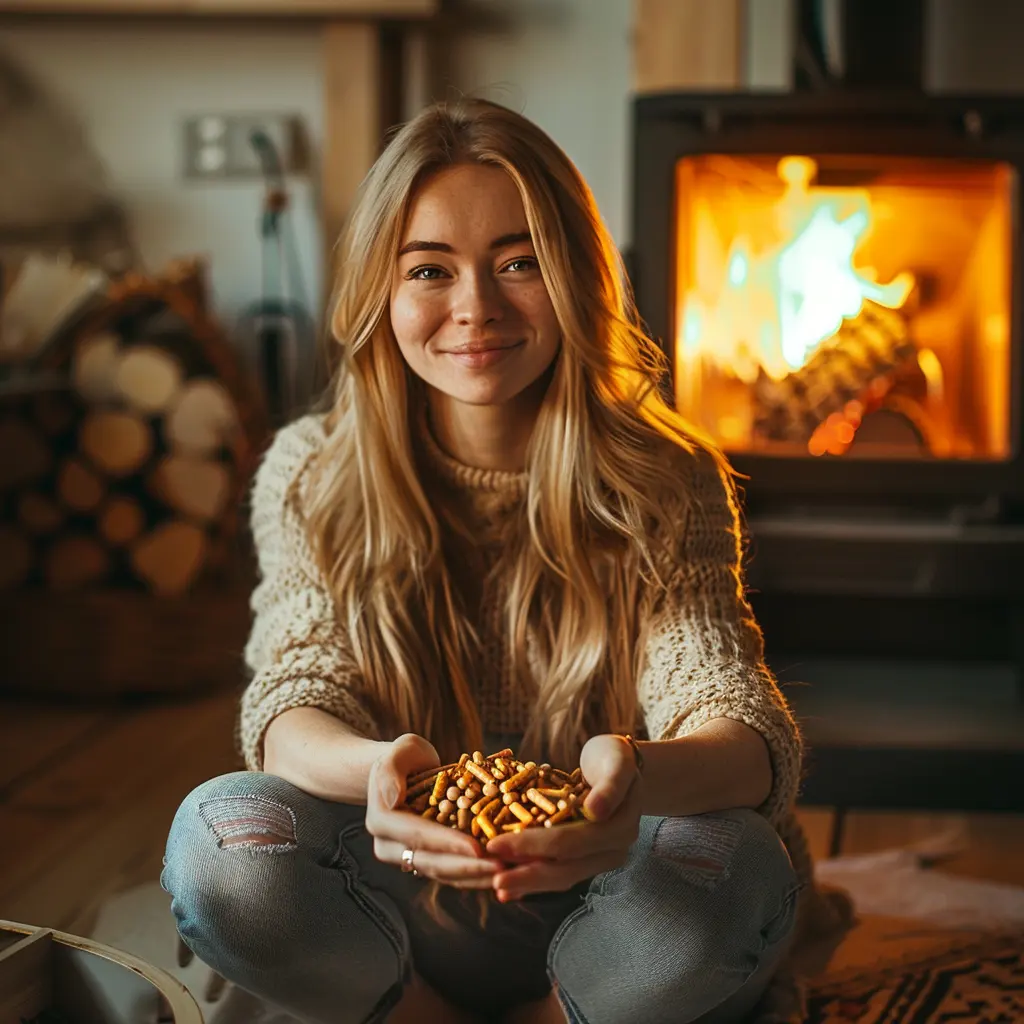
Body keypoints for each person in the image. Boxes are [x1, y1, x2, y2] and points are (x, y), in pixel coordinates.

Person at [162, 98, 851, 1024]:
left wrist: (634, 780)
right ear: (382, 292)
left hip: (619, 909)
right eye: (430, 270)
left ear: (573, 276)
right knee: (219, 838)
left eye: (518, 262)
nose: (475, 308)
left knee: (732, 864)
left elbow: (733, 714)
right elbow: (292, 695)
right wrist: (379, 772)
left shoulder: (666, 473)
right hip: (391, 906)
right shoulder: (309, 472)